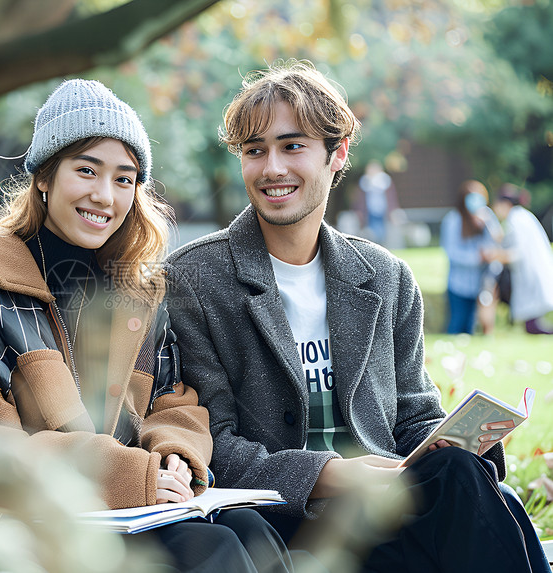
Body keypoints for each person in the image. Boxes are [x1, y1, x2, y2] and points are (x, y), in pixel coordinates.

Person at [166, 60, 550, 572]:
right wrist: (335, 474)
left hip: (387, 509)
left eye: (292, 146)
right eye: (254, 151)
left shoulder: (385, 277)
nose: (272, 168)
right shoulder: (194, 280)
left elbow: (414, 416)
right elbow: (214, 446)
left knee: (460, 470)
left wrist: (462, 438)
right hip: (275, 517)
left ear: (337, 153)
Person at [0, 78, 293, 572]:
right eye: (86, 170)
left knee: (250, 531)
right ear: (44, 176)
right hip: (7, 532)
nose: (104, 196)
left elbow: (173, 402)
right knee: (209, 550)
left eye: (124, 179)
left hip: (115, 518)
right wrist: (132, 475)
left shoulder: (134, 295)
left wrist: (175, 455)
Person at [489, 184, 553, 335]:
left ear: (505, 204)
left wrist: (497, 255)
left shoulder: (516, 219)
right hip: (532, 271)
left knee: (532, 324)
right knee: (531, 322)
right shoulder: (522, 216)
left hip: (530, 273)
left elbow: (518, 252)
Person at [439, 180, 501, 334]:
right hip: (458, 284)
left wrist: (487, 223)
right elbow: (451, 252)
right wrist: (476, 259)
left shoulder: (486, 216)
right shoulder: (453, 220)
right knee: (457, 324)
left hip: (481, 284)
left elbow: (497, 241)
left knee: (473, 327)